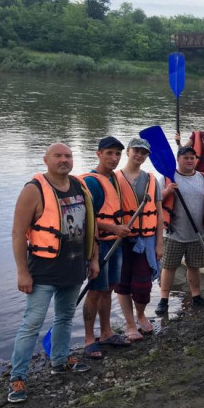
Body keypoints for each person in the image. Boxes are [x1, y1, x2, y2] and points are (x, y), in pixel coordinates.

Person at [8, 143, 99, 403]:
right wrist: (22, 272)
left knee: (65, 317)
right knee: (32, 323)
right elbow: (17, 234)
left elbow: (90, 227)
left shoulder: (80, 187)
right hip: (43, 271)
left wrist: (93, 259)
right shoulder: (33, 190)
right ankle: (18, 377)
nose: (64, 160)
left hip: (72, 268)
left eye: (68, 156)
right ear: (45, 160)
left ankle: (60, 361)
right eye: (57, 156)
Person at [82, 136, 133, 357]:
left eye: (117, 154)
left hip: (115, 244)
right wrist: (113, 229)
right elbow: (86, 217)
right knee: (94, 291)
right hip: (98, 245)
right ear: (99, 154)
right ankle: (88, 338)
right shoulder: (92, 181)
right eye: (109, 153)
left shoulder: (114, 179)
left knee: (108, 289)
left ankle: (106, 332)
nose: (114, 158)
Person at [155, 146, 204, 316]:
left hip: (197, 233)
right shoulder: (167, 178)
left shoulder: (203, 178)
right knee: (168, 267)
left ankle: (196, 296)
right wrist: (167, 191)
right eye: (185, 158)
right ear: (178, 159)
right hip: (174, 233)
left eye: (192, 157)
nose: (189, 161)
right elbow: (154, 201)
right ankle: (163, 299)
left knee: (194, 267)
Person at [115, 137, 163, 342]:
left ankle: (141, 314)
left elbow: (159, 214)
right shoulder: (113, 178)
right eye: (136, 151)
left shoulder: (151, 180)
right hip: (121, 240)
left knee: (143, 286)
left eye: (144, 153)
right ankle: (129, 323)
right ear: (128, 151)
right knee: (123, 283)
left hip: (146, 240)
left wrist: (160, 243)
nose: (140, 155)